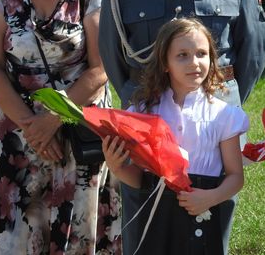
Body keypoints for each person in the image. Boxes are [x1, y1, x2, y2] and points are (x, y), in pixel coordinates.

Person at [98, 0, 265, 252]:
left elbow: (254, 53)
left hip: (211, 139)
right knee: (144, 232)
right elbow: (113, 55)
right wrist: (141, 107)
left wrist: (220, 105)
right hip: (148, 133)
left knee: (209, 232)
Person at [0, 0, 121, 253]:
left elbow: (101, 67)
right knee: (14, 231)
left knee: (74, 234)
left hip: (77, 124)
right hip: (18, 129)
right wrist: (33, 126)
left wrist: (54, 119)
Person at [103, 18, 248, 254]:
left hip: (201, 216)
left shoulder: (224, 115)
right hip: (156, 219)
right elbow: (139, 179)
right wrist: (116, 167)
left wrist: (210, 198)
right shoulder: (144, 112)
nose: (194, 63)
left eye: (202, 53)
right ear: (165, 63)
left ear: (212, 59)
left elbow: (235, 177)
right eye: (182, 55)